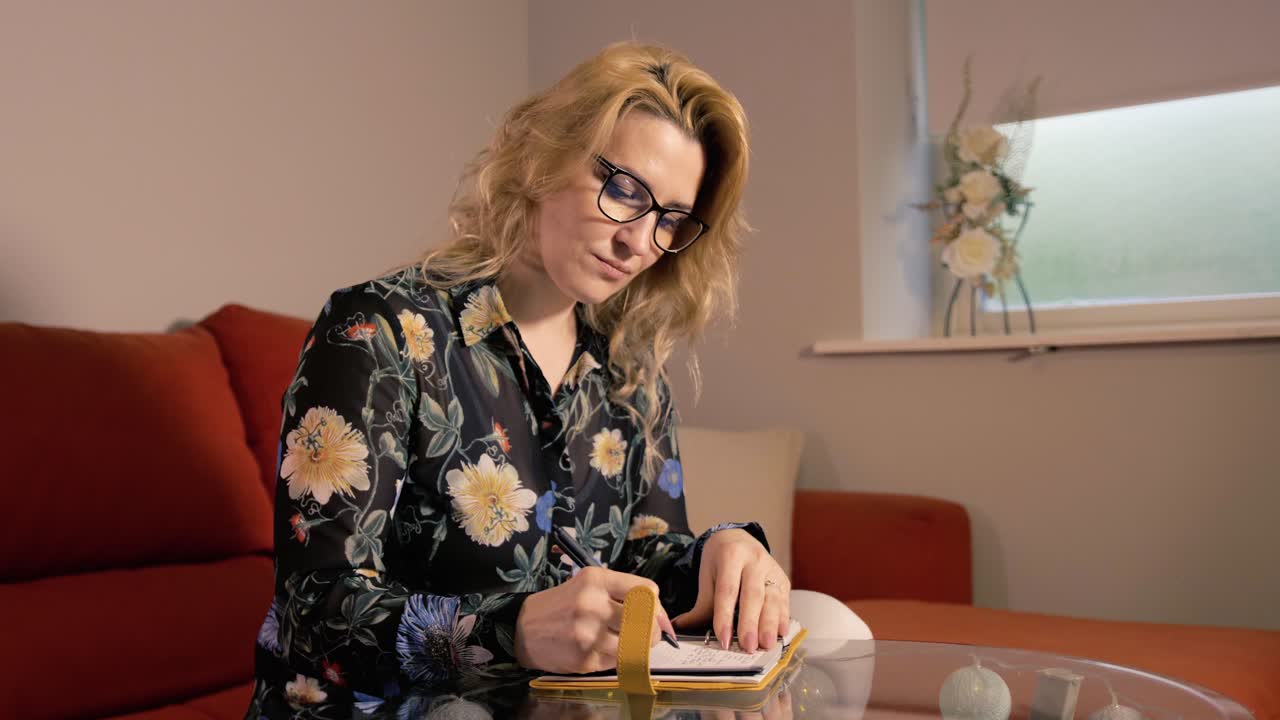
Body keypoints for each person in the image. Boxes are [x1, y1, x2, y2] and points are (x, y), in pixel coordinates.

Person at [246, 41, 790, 715]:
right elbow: (315, 609)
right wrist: (515, 632)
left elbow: (646, 562)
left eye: (671, 220)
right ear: (543, 153)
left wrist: (721, 553)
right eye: (624, 190)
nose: (640, 241)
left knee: (827, 619)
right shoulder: (376, 331)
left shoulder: (630, 377)